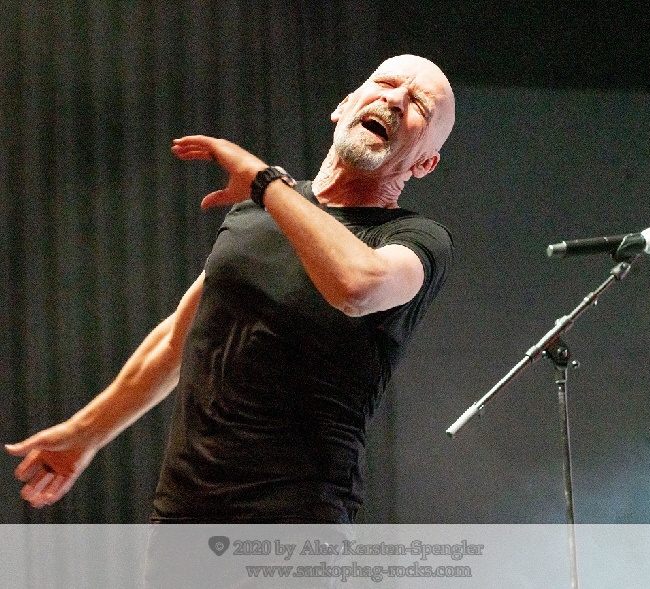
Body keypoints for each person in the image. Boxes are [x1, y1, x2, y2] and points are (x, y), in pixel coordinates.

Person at [6, 54, 456, 523]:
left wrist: (265, 183)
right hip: (183, 514)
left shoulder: (417, 239)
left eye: (420, 105)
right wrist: (85, 434)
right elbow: (178, 339)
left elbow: (358, 287)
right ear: (343, 106)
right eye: (385, 82)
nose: (395, 99)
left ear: (426, 163)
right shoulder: (261, 208)